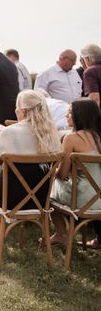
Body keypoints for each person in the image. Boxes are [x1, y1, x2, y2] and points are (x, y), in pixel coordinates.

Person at [0, 90, 60, 244]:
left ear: (22, 111)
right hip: (40, 199)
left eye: (16, 108)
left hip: (9, 199)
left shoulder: (9, 132)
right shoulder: (51, 135)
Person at [49, 98, 101, 247]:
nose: (66, 116)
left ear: (80, 115)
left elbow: (62, 174)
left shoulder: (71, 138)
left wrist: (54, 168)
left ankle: (61, 233)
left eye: (70, 112)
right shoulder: (98, 137)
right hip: (99, 197)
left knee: (48, 187)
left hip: (82, 199)